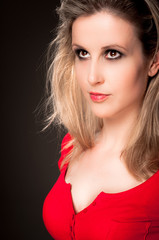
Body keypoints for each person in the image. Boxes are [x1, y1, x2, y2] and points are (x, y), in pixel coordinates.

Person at [42, 0, 159, 239]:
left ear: (154, 61)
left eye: (112, 53)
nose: (92, 77)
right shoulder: (72, 145)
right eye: (83, 53)